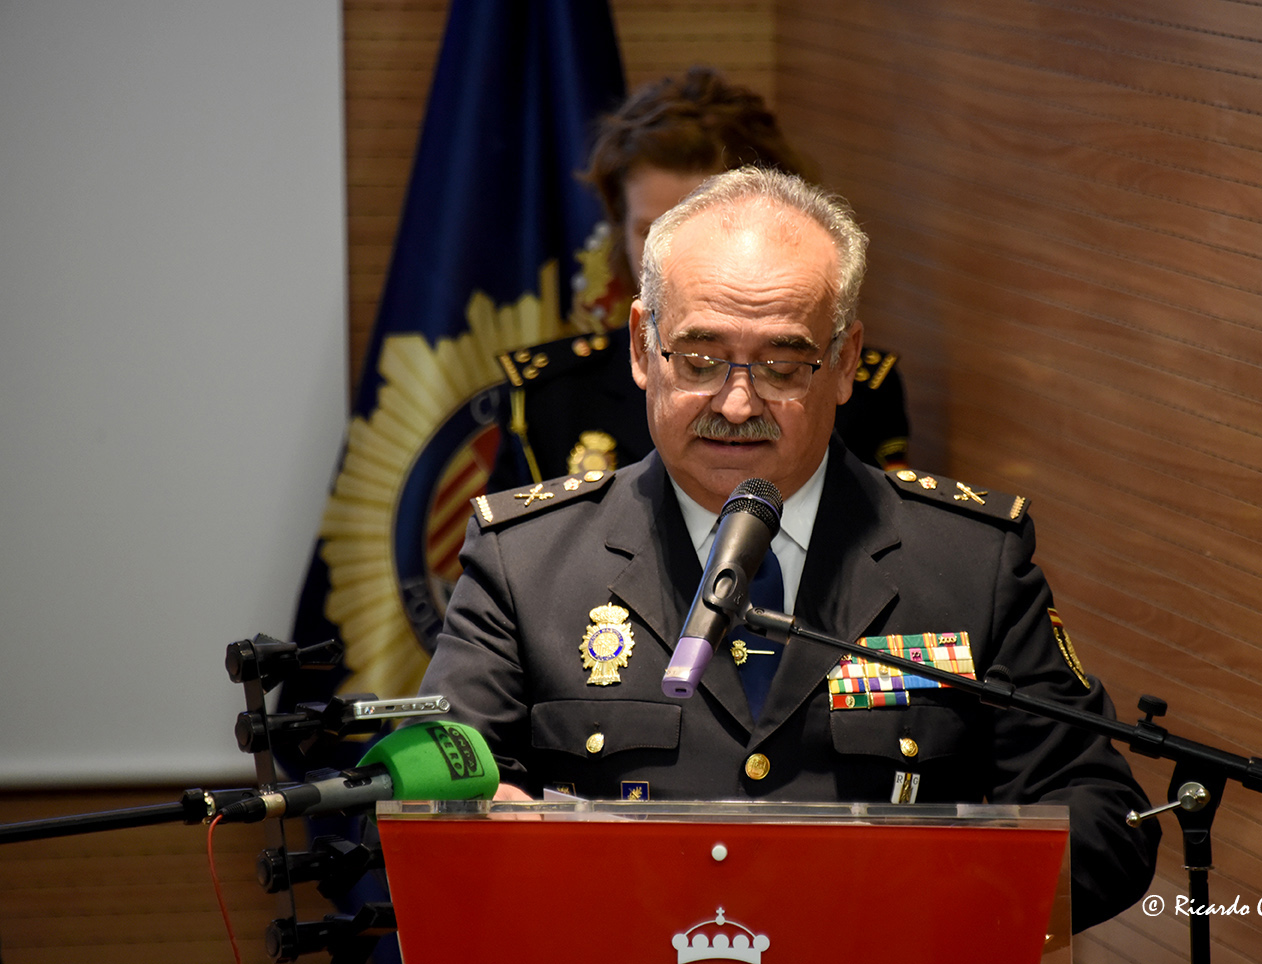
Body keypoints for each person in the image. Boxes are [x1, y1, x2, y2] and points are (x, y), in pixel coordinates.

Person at [421, 167, 1159, 930]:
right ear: (643, 346)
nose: (738, 403)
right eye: (700, 360)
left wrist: (913, 900)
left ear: (843, 363)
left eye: (782, 366)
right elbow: (430, 781)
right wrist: (498, 831)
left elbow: (1106, 818)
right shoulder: (526, 561)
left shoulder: (970, 562)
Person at [489, 67, 908, 489]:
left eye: (780, 368)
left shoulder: (853, 388)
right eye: (650, 231)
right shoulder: (551, 395)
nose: (669, 251)